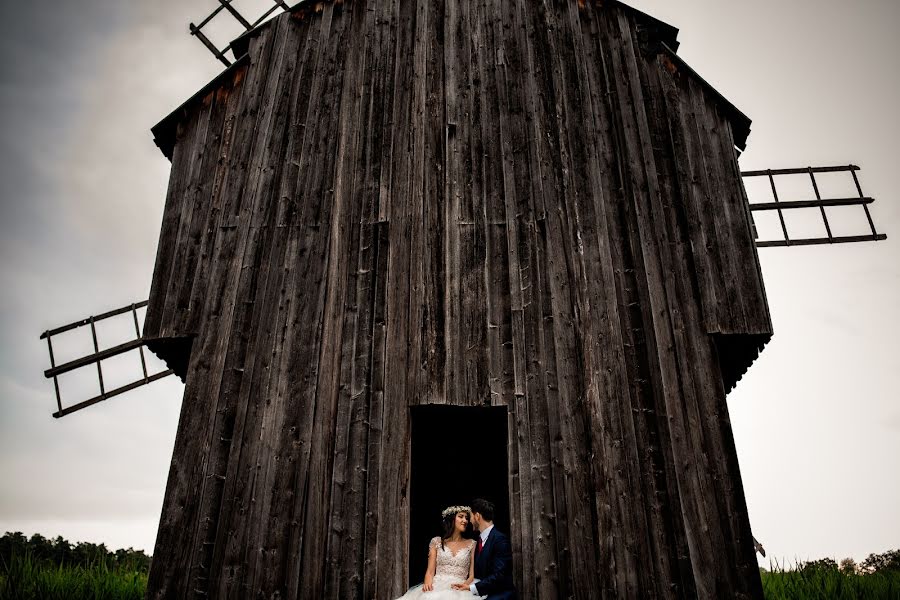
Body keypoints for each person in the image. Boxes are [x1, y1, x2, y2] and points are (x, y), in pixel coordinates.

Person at [394, 505, 485, 599]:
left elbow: (471, 575)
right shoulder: (436, 542)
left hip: (461, 586)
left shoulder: (472, 544)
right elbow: (430, 571)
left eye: (466, 518)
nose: (465, 521)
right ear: (452, 519)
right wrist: (427, 583)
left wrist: (464, 586)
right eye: (461, 516)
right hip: (437, 585)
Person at [453, 498, 517, 600]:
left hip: (499, 595)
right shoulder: (478, 540)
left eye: (471, 517)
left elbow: (499, 575)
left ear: (477, 516)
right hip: (482, 593)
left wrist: (472, 588)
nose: (469, 521)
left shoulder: (500, 539)